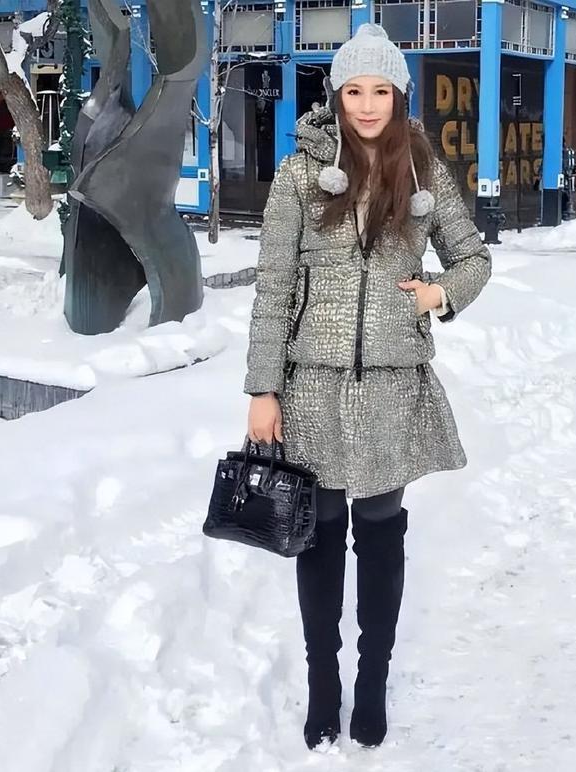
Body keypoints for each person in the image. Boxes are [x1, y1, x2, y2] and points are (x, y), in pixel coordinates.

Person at [244, 23, 492, 750]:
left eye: (380, 90)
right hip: (311, 387)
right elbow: (272, 287)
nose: (367, 105)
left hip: (390, 387)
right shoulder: (300, 174)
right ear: (336, 94)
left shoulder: (423, 170)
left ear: (399, 94)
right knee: (319, 535)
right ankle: (324, 682)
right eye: (353, 90)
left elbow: (473, 258)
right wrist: (262, 389)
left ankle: (373, 680)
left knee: (380, 534)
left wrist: (438, 295)